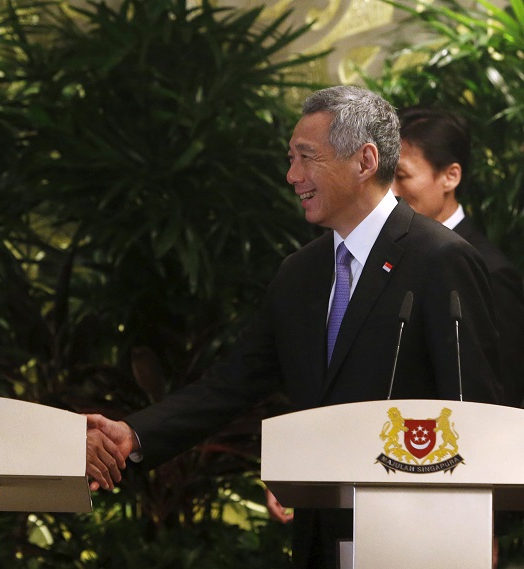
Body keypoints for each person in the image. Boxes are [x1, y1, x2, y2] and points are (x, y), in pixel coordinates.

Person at [85, 86, 502, 569]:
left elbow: (475, 411)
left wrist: (482, 528)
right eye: (291, 158)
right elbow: (234, 383)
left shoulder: (441, 259)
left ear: (365, 160)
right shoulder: (299, 273)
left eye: (306, 158)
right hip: (319, 535)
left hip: (417, 535)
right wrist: (133, 435)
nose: (292, 176)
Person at [392, 106, 524, 407]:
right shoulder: (387, 254)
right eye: (385, 175)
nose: (390, 191)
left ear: (450, 177)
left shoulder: (490, 271)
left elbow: (505, 390)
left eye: (401, 176)